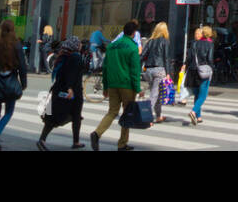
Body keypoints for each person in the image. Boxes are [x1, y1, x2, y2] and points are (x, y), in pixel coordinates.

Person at [90, 20, 141, 151]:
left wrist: (105, 86)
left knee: (112, 112)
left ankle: (97, 133)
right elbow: (135, 70)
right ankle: (122, 143)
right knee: (127, 113)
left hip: (112, 84)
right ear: (134, 33)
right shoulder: (132, 47)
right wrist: (138, 88)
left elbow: (105, 67)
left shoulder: (112, 46)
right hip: (127, 85)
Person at [37, 36, 85, 150]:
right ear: (75, 45)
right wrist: (70, 88)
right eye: (79, 43)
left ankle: (43, 139)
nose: (81, 45)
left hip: (59, 91)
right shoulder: (76, 57)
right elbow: (71, 74)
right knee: (74, 116)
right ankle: (75, 141)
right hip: (73, 92)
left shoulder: (63, 55)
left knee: (55, 116)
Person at [0, 20, 27, 150]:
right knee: (9, 111)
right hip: (11, 80)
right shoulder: (17, 45)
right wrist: (24, 82)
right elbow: (22, 65)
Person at [141, 22, 171, 123]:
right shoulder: (165, 41)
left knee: (155, 93)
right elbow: (166, 57)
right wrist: (168, 72)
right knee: (154, 94)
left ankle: (158, 116)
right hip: (159, 70)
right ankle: (146, 117)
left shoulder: (150, 41)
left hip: (148, 70)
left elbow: (142, 55)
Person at [185, 25, 214, 125]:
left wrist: (186, 66)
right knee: (203, 95)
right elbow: (209, 59)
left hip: (193, 70)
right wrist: (212, 68)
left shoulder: (195, 43)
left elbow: (189, 57)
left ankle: (198, 116)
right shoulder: (210, 44)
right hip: (203, 71)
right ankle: (193, 111)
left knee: (197, 94)